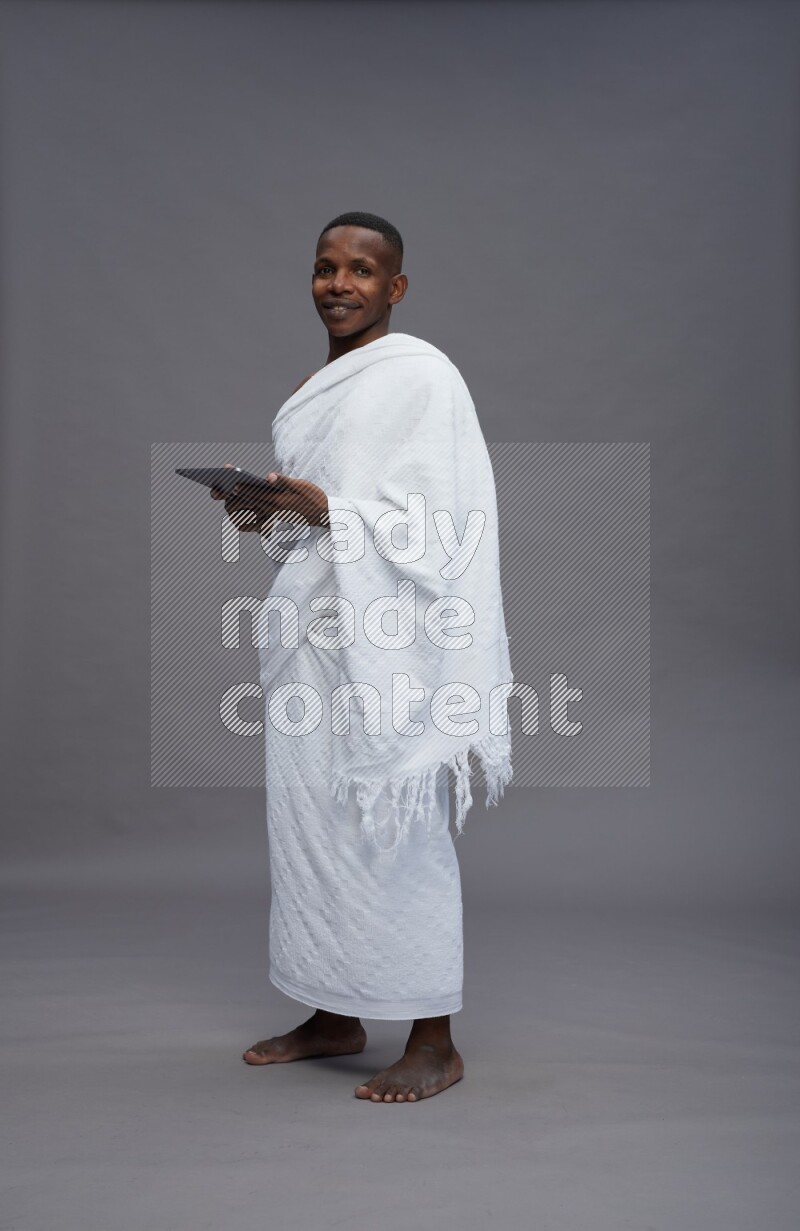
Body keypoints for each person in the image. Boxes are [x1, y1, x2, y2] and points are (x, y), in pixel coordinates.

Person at [211, 212, 512, 1102]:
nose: (338, 284)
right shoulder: (317, 386)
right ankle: (334, 1011)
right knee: (308, 825)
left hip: (394, 649)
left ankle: (433, 1037)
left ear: (396, 288)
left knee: (395, 824)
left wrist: (335, 512)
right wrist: (272, 515)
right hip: (314, 640)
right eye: (323, 268)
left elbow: (450, 525)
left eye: (361, 271)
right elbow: (313, 529)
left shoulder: (424, 379)